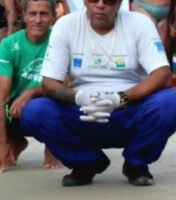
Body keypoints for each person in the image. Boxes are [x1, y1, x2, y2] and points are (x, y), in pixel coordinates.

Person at [20, 0, 176, 186]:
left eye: (109, 0)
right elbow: (49, 82)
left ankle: (136, 162)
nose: (100, 5)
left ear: (120, 3)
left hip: (129, 107)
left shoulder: (139, 23)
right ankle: (86, 162)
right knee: (34, 111)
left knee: (170, 101)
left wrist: (120, 99)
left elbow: (161, 73)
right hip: (82, 109)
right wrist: (77, 97)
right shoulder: (66, 24)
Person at [0, 0, 62, 173]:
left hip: (49, 105)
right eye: (33, 14)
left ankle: (53, 144)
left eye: (44, 14)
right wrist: (2, 143)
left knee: (53, 101)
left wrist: (31, 92)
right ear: (24, 16)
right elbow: (3, 97)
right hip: (14, 110)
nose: (38, 20)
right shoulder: (9, 44)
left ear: (53, 16)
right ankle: (15, 140)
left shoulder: (61, 41)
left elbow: (64, 86)